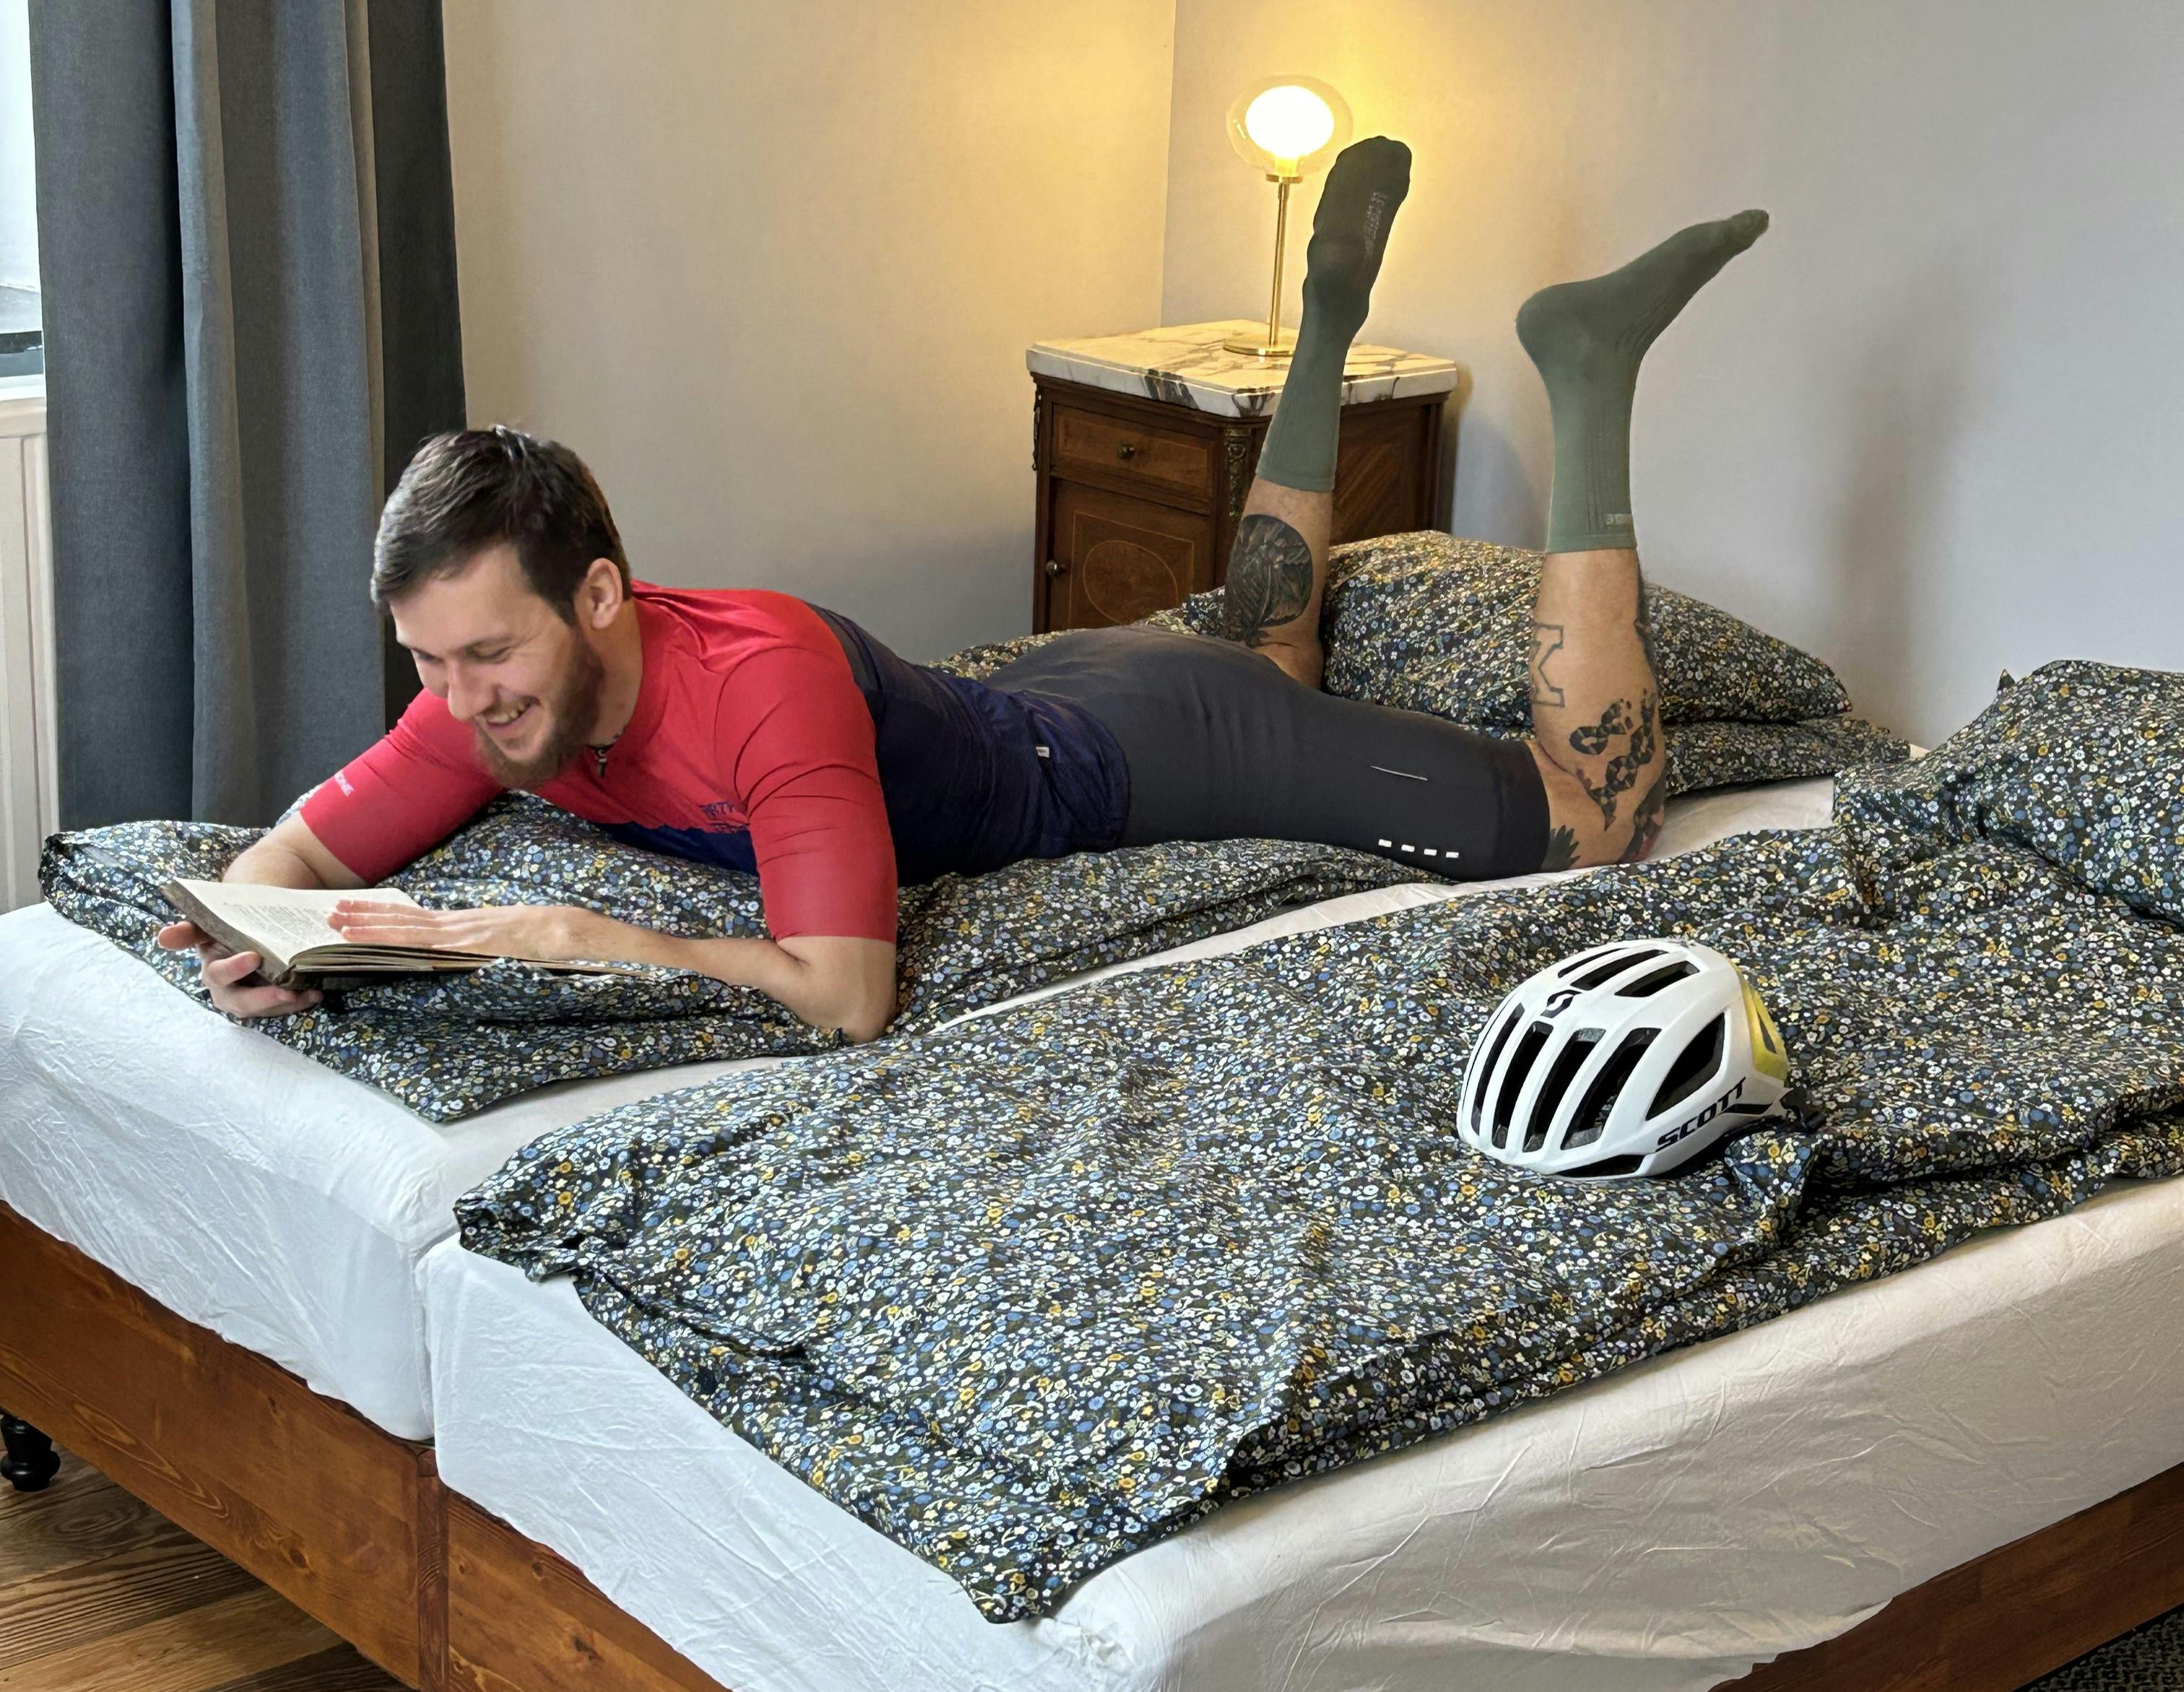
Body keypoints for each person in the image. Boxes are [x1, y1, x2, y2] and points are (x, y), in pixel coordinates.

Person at [161, 136, 1768, 1044]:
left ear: (598, 598)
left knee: (1590, 824)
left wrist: (570, 929)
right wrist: (263, 932)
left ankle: (1593, 371)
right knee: (1278, 636)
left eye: (483, 655)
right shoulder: (492, 689)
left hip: (1147, 748)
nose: (456, 700)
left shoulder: (756, 680)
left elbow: (847, 995)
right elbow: (298, 847)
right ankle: (1328, 316)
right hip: (1048, 684)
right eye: (429, 664)